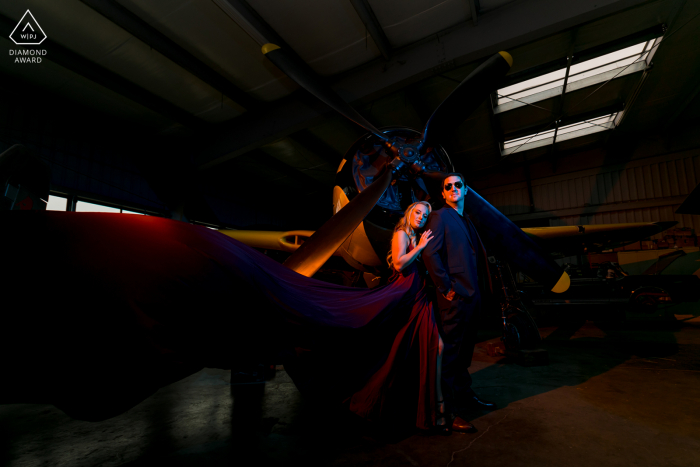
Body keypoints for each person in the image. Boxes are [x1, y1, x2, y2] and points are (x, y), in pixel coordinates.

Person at [423, 173, 497, 432]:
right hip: (455, 298)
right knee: (451, 356)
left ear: (465, 190)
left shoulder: (466, 220)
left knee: (464, 353)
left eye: (458, 185)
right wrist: (446, 288)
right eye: (448, 186)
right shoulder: (440, 217)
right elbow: (430, 253)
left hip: (473, 297)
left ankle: (465, 396)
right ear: (443, 194)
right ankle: (448, 411)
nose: (453, 188)